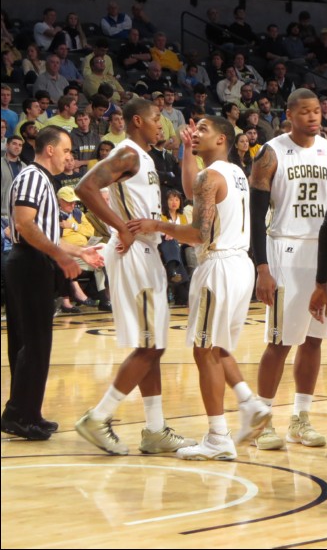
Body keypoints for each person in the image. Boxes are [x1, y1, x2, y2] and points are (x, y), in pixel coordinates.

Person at [128, 117, 270, 460]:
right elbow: (197, 189)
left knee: (203, 350)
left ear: (222, 138)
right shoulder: (235, 171)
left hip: (218, 266)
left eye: (203, 129)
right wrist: (188, 151)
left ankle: (218, 436)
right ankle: (249, 403)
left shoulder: (212, 176)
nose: (197, 133)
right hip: (241, 266)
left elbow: (199, 234)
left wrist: (158, 224)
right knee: (217, 346)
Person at [73, 98, 196, 456]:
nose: (162, 125)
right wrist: (120, 229)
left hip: (146, 249)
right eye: (158, 119)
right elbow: (84, 187)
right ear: (138, 121)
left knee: (154, 344)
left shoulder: (145, 157)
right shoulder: (127, 154)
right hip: (133, 251)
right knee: (149, 345)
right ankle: (98, 417)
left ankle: (155, 430)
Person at [0, 126, 104, 440]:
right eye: (67, 150)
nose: (70, 158)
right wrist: (60, 255)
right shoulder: (33, 177)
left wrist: (79, 250)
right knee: (34, 343)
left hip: (32, 260)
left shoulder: (42, 179)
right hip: (29, 262)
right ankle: (21, 415)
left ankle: (23, 412)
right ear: (49, 150)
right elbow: (25, 224)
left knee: (29, 342)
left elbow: (46, 233)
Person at [249, 89, 327, 451]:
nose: (313, 117)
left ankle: (301, 419)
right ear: (289, 115)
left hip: (323, 251)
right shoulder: (271, 152)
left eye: (317, 111)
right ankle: (262, 421)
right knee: (279, 341)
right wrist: (261, 267)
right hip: (284, 248)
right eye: (305, 112)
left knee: (314, 338)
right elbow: (255, 215)